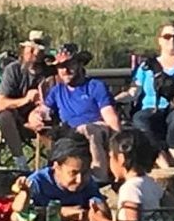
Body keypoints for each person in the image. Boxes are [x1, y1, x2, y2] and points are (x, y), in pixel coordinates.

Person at [122, 20, 174, 166]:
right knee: (140, 118)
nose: (172, 40)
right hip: (152, 109)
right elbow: (133, 92)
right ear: (159, 40)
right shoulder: (147, 66)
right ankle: (163, 161)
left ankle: (172, 159)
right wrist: (111, 99)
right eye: (167, 36)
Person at [43, 45, 120, 182]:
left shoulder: (95, 86)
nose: (65, 70)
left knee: (88, 129)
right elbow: (42, 111)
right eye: (60, 67)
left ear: (79, 64)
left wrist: (117, 142)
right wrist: (36, 117)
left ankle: (99, 178)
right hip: (70, 133)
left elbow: (110, 116)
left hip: (98, 128)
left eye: (69, 65)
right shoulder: (57, 91)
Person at [0, 30, 51, 172]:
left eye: (35, 50)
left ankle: (56, 163)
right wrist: (26, 100)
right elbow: (1, 103)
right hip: (16, 119)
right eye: (29, 48)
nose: (31, 52)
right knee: (4, 115)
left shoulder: (50, 74)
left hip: (43, 118)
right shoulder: (13, 70)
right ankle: (20, 163)